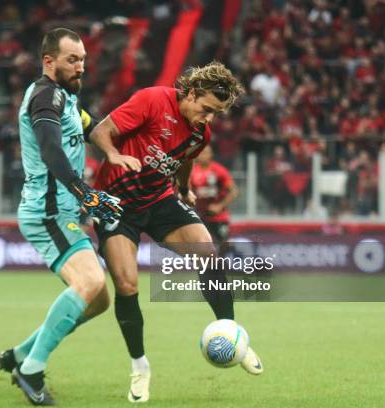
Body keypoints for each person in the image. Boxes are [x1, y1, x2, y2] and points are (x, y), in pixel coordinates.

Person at [90, 61, 263, 403]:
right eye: (206, 109)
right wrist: (113, 155)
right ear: (192, 93)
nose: (209, 118)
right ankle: (140, 367)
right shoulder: (152, 100)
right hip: (116, 203)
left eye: (216, 113)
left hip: (158, 200)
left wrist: (183, 189)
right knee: (127, 285)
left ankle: (232, 335)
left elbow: (184, 156)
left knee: (210, 257)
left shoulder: (201, 133)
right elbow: (99, 132)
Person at [0, 28, 122, 406]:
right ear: (48, 61)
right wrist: (83, 192)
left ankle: (19, 354)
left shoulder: (67, 98)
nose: (80, 66)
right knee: (90, 280)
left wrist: (126, 148)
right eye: (72, 59)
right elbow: (50, 148)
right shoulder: (45, 95)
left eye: (83, 59)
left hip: (63, 211)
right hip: (47, 210)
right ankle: (31, 369)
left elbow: (93, 127)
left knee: (98, 300)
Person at [189, 145, 238, 246]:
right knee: (200, 244)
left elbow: (234, 191)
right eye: (201, 153)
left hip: (219, 216)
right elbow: (187, 191)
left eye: (206, 153)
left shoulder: (219, 170)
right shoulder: (192, 171)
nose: (203, 155)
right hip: (200, 215)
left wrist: (220, 206)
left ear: (211, 155)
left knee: (224, 244)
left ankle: (221, 260)